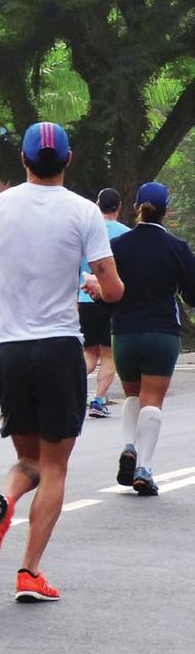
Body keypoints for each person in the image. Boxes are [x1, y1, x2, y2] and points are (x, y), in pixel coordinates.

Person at [0, 121, 123, 603]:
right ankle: (29, 572)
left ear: (23, 161)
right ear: (68, 160)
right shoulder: (84, 212)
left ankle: (4, 502)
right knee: (54, 467)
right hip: (58, 348)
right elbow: (112, 289)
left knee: (26, 460)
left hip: (9, 350)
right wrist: (94, 285)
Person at [101, 182, 195, 496]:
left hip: (124, 333)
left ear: (137, 207)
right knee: (152, 401)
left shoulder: (120, 245)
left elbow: (108, 293)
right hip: (161, 333)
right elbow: (193, 295)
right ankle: (144, 467)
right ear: (167, 211)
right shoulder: (177, 247)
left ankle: (129, 446)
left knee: (132, 396)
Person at [78, 188, 130, 418]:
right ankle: (98, 400)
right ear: (119, 206)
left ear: (97, 204)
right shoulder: (127, 234)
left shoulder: (85, 233)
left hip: (85, 298)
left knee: (89, 353)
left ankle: (72, 393)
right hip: (110, 298)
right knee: (109, 355)